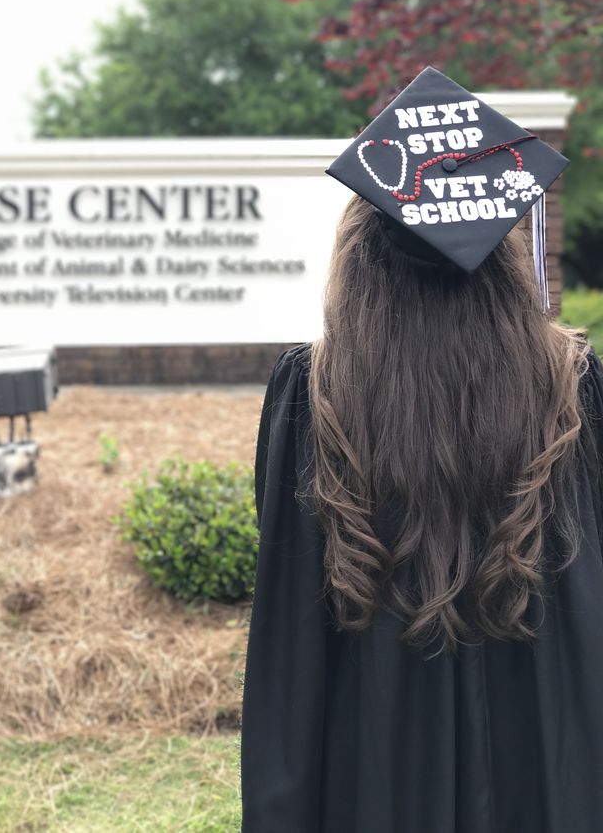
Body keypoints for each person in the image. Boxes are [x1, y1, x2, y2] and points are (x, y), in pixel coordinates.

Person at [239, 67, 603, 833]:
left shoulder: (315, 394)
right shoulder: (574, 387)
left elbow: (289, 645)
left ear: (360, 255)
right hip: (550, 747)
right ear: (505, 258)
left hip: (371, 763)